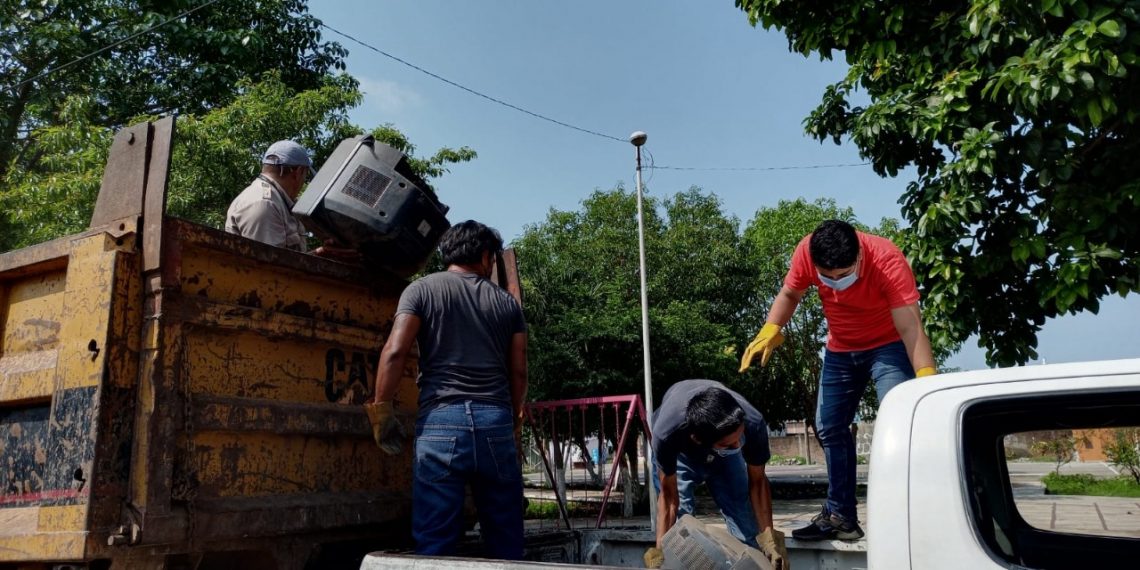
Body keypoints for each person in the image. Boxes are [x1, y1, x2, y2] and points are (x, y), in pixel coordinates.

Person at [739, 219, 936, 541]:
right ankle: (841, 516)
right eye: (826, 277)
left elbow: (911, 328)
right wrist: (771, 328)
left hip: (888, 348)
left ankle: (911, 514)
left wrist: (926, 380)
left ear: (859, 256)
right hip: (840, 349)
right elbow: (790, 292)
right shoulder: (807, 251)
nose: (834, 283)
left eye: (843, 276)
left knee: (900, 426)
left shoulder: (886, 259)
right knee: (829, 426)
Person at [365, 220, 528, 559]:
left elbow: (395, 352)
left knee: (436, 541)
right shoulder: (508, 305)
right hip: (494, 420)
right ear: (485, 256)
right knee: (506, 538)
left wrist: (381, 409)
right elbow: (519, 369)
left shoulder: (420, 290)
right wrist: (511, 418)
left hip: (440, 422)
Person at [643, 379, 787, 570]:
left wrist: (770, 541)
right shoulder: (667, 435)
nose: (738, 447)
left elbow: (758, 483)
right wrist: (661, 553)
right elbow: (669, 500)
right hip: (682, 455)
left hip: (724, 457)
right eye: (729, 444)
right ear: (698, 439)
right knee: (681, 530)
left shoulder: (753, 422)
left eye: (740, 438)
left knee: (744, 517)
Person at [226, 140, 355, 259]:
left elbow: (283, 261)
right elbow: (269, 269)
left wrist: (320, 254)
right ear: (298, 172)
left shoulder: (275, 200)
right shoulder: (265, 203)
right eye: (305, 174)